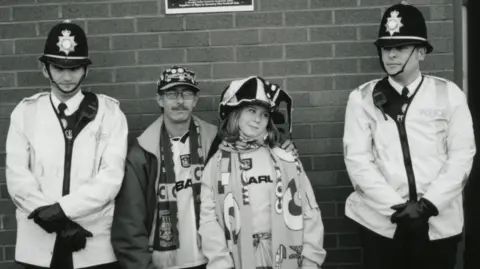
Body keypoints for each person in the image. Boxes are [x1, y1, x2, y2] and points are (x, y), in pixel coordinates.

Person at [342, 1, 476, 269]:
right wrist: (398, 209)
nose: (391, 56)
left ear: (422, 53)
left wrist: (428, 206)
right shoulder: (361, 98)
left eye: (401, 48)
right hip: (381, 224)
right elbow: (358, 160)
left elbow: (462, 155)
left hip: (438, 224)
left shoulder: (449, 94)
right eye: (386, 48)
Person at [5, 20, 129, 269]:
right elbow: (18, 178)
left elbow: (110, 178)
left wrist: (62, 210)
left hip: (91, 242)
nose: (66, 76)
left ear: (86, 70)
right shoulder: (25, 112)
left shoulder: (110, 113)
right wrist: (59, 222)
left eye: (74, 68)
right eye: (58, 67)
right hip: (38, 242)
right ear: (45, 69)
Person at [198, 76, 326, 269]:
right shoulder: (216, 163)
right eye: (251, 111)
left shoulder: (285, 157)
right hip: (237, 259)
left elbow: (309, 211)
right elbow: (209, 219)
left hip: (286, 257)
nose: (258, 119)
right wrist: (219, 263)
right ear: (236, 113)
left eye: (265, 114)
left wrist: (310, 261)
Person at [111, 65, 217, 269]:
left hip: (212, 260)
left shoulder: (215, 142)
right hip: (163, 264)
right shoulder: (142, 152)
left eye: (186, 94)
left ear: (195, 100)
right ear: (160, 99)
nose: (179, 101)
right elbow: (129, 223)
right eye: (171, 94)